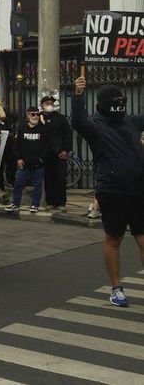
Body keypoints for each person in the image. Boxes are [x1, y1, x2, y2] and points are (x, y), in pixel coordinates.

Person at [72, 77, 144, 307]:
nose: (118, 104)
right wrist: (77, 95)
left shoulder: (131, 121)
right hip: (112, 192)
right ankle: (116, 288)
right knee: (114, 239)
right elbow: (78, 121)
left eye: (120, 100)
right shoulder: (95, 126)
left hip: (139, 190)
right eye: (114, 101)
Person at [6, 107, 48, 214]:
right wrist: (19, 158)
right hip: (24, 163)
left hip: (38, 163)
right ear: (28, 116)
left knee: (37, 185)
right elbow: (17, 145)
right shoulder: (22, 128)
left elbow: (47, 146)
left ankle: (35, 204)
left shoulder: (43, 129)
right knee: (18, 183)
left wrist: (41, 158)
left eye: (37, 114)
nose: (35, 116)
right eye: (33, 114)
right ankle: (15, 203)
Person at [40, 94, 73, 211]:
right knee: (48, 178)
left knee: (60, 178)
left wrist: (66, 150)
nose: (49, 105)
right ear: (42, 105)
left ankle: (61, 203)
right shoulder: (39, 118)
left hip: (59, 153)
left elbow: (68, 135)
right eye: (47, 103)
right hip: (45, 154)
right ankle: (50, 202)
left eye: (51, 103)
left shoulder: (61, 118)